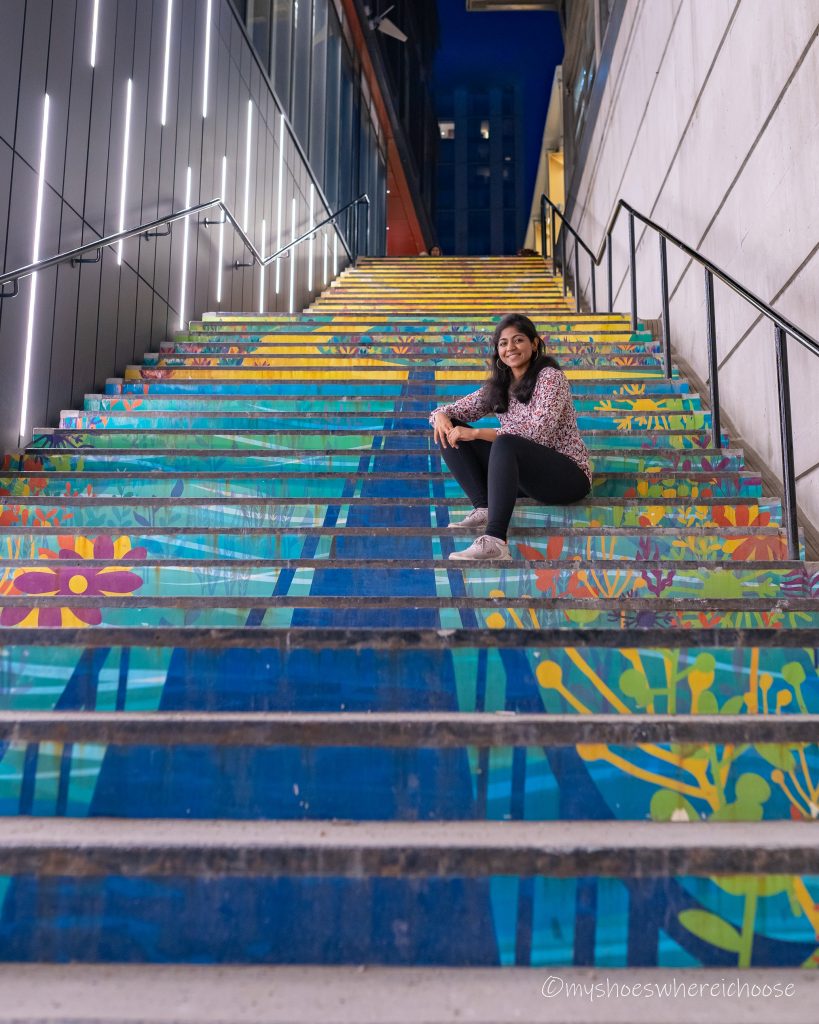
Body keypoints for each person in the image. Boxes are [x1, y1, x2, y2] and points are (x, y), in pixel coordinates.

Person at [430, 312, 591, 561]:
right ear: (498, 351)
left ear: (534, 344)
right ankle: (483, 505)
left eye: (518, 340)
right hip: (527, 478)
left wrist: (476, 433)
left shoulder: (550, 378)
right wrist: (440, 415)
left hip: (568, 476)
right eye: (503, 343)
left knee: (503, 442)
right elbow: (450, 411)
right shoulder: (499, 387)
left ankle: (496, 541)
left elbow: (537, 433)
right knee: (450, 429)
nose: (510, 348)